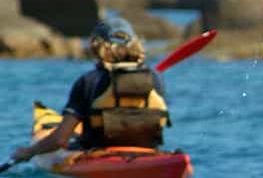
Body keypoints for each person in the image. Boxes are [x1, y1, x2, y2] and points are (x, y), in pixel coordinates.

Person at [12, 18, 169, 163]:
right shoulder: (156, 78)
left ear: (96, 47)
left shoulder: (89, 81)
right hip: (148, 154)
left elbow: (59, 140)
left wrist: (29, 152)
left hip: (97, 155)